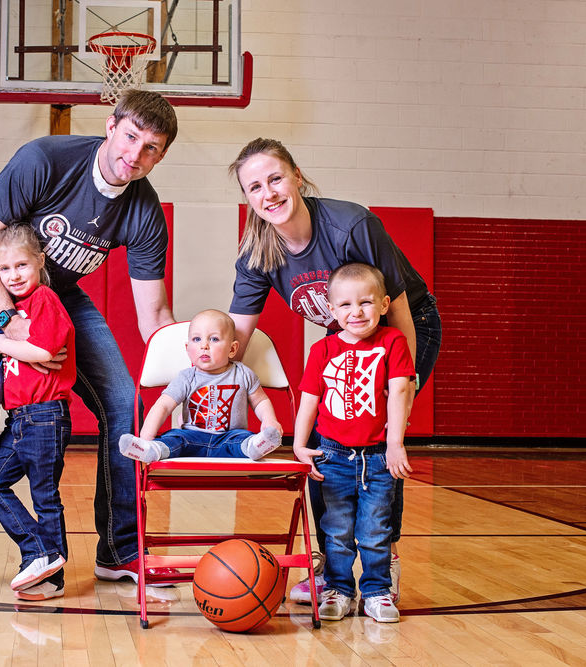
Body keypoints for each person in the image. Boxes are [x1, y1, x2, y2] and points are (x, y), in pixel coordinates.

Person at [0, 89, 180, 600]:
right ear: (110, 125)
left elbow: (155, 318)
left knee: (125, 402)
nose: (134, 155)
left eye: (150, 148)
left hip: (57, 294)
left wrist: (197, 360)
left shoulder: (144, 212)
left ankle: (120, 551)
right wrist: (9, 319)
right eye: (130, 137)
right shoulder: (46, 160)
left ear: (160, 155)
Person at [227, 137, 442, 605]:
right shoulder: (257, 252)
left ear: (297, 176)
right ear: (247, 198)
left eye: (276, 178)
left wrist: (399, 378)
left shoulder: (350, 225)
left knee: (378, 435)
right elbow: (236, 338)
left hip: (403, 327)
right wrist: (206, 380)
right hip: (343, 340)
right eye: (254, 187)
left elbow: (398, 307)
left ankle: (385, 564)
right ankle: (332, 565)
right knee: (328, 441)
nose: (269, 193)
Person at [291, 263, 415, 623]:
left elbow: (400, 392)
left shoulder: (393, 342)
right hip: (333, 455)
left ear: (384, 304)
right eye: (345, 305)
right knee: (337, 531)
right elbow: (310, 400)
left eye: (365, 302)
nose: (355, 312)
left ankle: (376, 592)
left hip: (377, 458)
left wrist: (395, 443)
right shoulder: (323, 349)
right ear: (332, 310)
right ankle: (339, 589)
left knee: (376, 530)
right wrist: (300, 445)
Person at [0, 225, 75, 601]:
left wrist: (1, 341)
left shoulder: (43, 299)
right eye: (4, 269)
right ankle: (39, 552)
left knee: (45, 496)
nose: (14, 275)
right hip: (19, 420)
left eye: (22, 265)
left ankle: (50, 574)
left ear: (40, 261)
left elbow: (45, 351)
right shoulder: (15, 309)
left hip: (45, 415)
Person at [118, 309, 282, 463]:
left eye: (214, 339)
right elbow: (163, 407)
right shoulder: (186, 377)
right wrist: (146, 436)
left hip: (230, 438)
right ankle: (151, 449)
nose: (204, 345)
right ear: (188, 348)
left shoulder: (243, 374)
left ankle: (256, 446)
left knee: (244, 439)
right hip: (191, 438)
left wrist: (269, 420)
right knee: (175, 439)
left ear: (232, 349)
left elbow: (260, 402)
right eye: (197, 339)